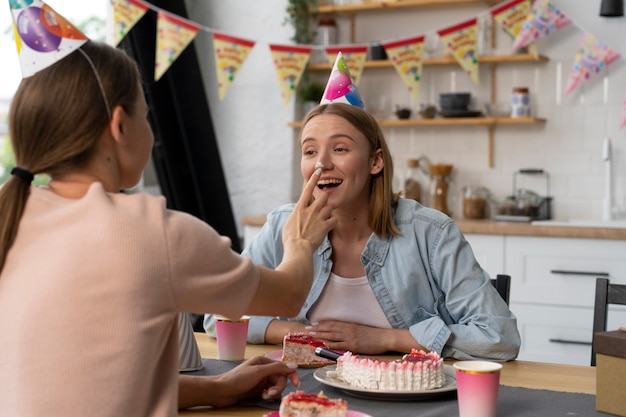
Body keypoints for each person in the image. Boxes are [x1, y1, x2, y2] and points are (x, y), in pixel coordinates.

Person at [0, 40, 337, 416]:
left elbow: (85, 385)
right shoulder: (152, 233)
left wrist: (218, 388)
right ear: (119, 125)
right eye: (146, 117)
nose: (152, 132)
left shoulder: (11, 214)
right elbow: (289, 294)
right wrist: (300, 240)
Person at [205, 102, 521, 361]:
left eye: (340, 149)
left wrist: (385, 339)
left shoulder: (431, 233)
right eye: (310, 151)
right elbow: (218, 315)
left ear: (375, 162)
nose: (321, 165)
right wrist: (296, 334)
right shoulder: (281, 226)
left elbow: (499, 338)